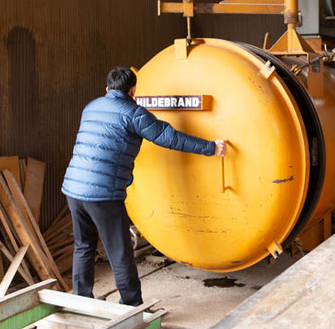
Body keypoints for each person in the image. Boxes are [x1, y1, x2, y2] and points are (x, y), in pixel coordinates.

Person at [61, 66, 227, 306]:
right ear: (133, 90)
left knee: (84, 245)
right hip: (103, 194)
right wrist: (211, 148)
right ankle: (130, 304)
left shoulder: (91, 107)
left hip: (73, 189)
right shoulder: (134, 113)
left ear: (107, 89)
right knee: (119, 252)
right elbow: (169, 138)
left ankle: (81, 299)